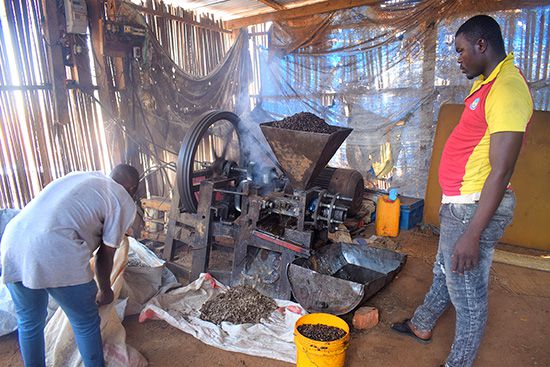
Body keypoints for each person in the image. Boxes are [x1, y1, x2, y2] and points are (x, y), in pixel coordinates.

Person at [390, 15, 533, 367]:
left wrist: (472, 233)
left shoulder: (508, 90)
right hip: (461, 203)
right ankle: (422, 324)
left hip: (474, 210)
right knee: (446, 270)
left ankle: (459, 363)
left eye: (461, 50)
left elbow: (501, 171)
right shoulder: (487, 83)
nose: (458, 58)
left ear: (481, 45)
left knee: (467, 296)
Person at [1, 164, 139, 367]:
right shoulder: (122, 198)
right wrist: (105, 289)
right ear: (133, 188)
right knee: (85, 322)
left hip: (13, 241)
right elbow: (105, 254)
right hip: (56, 248)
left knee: (29, 323)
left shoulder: (81, 176)